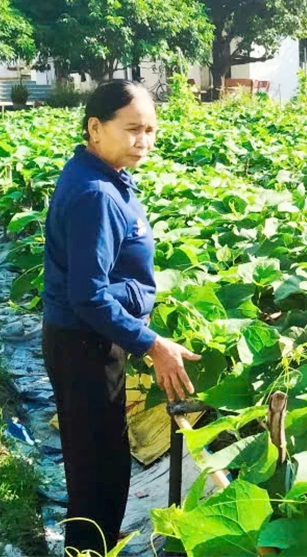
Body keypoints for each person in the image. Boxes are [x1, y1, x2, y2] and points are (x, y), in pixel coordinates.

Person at [41, 81, 200, 552]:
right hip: (85, 344)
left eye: (151, 130)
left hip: (84, 340)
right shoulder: (96, 194)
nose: (144, 141)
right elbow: (88, 295)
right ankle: (88, 550)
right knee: (99, 475)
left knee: (96, 466)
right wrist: (151, 343)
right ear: (95, 127)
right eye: (132, 129)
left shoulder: (103, 177)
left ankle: (89, 547)